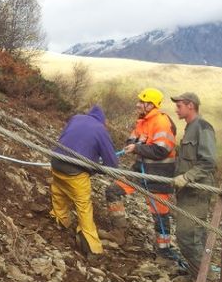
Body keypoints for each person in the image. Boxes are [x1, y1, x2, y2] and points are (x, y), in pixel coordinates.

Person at [105, 88, 176, 253]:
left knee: (160, 213)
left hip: (159, 175)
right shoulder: (143, 121)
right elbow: (131, 139)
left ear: (150, 105)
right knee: (113, 191)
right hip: (140, 171)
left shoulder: (161, 122)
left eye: (141, 102)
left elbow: (162, 150)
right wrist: (137, 143)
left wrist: (138, 146)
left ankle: (164, 251)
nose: (137, 105)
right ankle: (118, 233)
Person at [49, 105, 119, 259]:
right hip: (75, 171)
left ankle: (60, 220)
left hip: (56, 162)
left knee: (59, 191)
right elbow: (112, 164)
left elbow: (67, 139)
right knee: (83, 206)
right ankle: (91, 247)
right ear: (103, 120)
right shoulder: (101, 130)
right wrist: (95, 169)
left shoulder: (76, 118)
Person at [170, 92, 216, 277]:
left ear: (191, 106)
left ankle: (207, 279)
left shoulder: (203, 127)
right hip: (187, 191)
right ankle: (199, 273)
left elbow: (208, 161)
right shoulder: (190, 128)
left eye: (179, 105)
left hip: (197, 190)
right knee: (195, 235)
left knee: (187, 236)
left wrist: (187, 177)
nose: (176, 109)